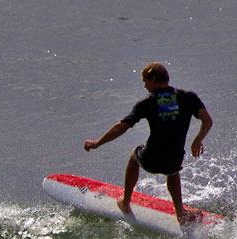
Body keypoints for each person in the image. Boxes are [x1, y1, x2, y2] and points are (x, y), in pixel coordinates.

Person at [84, 62, 213, 224]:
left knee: (133, 156)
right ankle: (180, 212)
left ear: (153, 79)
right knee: (173, 170)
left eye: (145, 81)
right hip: (174, 159)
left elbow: (121, 127)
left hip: (151, 159)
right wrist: (197, 141)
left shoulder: (147, 102)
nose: (145, 86)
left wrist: (96, 143)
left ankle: (125, 202)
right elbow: (207, 121)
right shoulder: (188, 97)